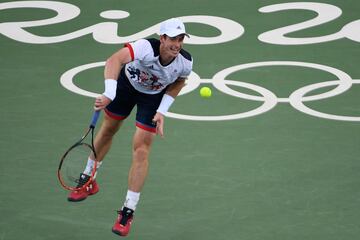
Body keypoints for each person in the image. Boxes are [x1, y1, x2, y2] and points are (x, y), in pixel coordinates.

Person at [67, 18, 193, 237]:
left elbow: (178, 83)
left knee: (141, 149)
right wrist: (109, 92)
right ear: (162, 38)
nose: (177, 44)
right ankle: (88, 179)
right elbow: (114, 60)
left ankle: (128, 211)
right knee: (108, 130)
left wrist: (162, 110)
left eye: (180, 39)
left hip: (152, 98)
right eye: (173, 38)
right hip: (126, 87)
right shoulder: (145, 47)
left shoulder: (185, 62)